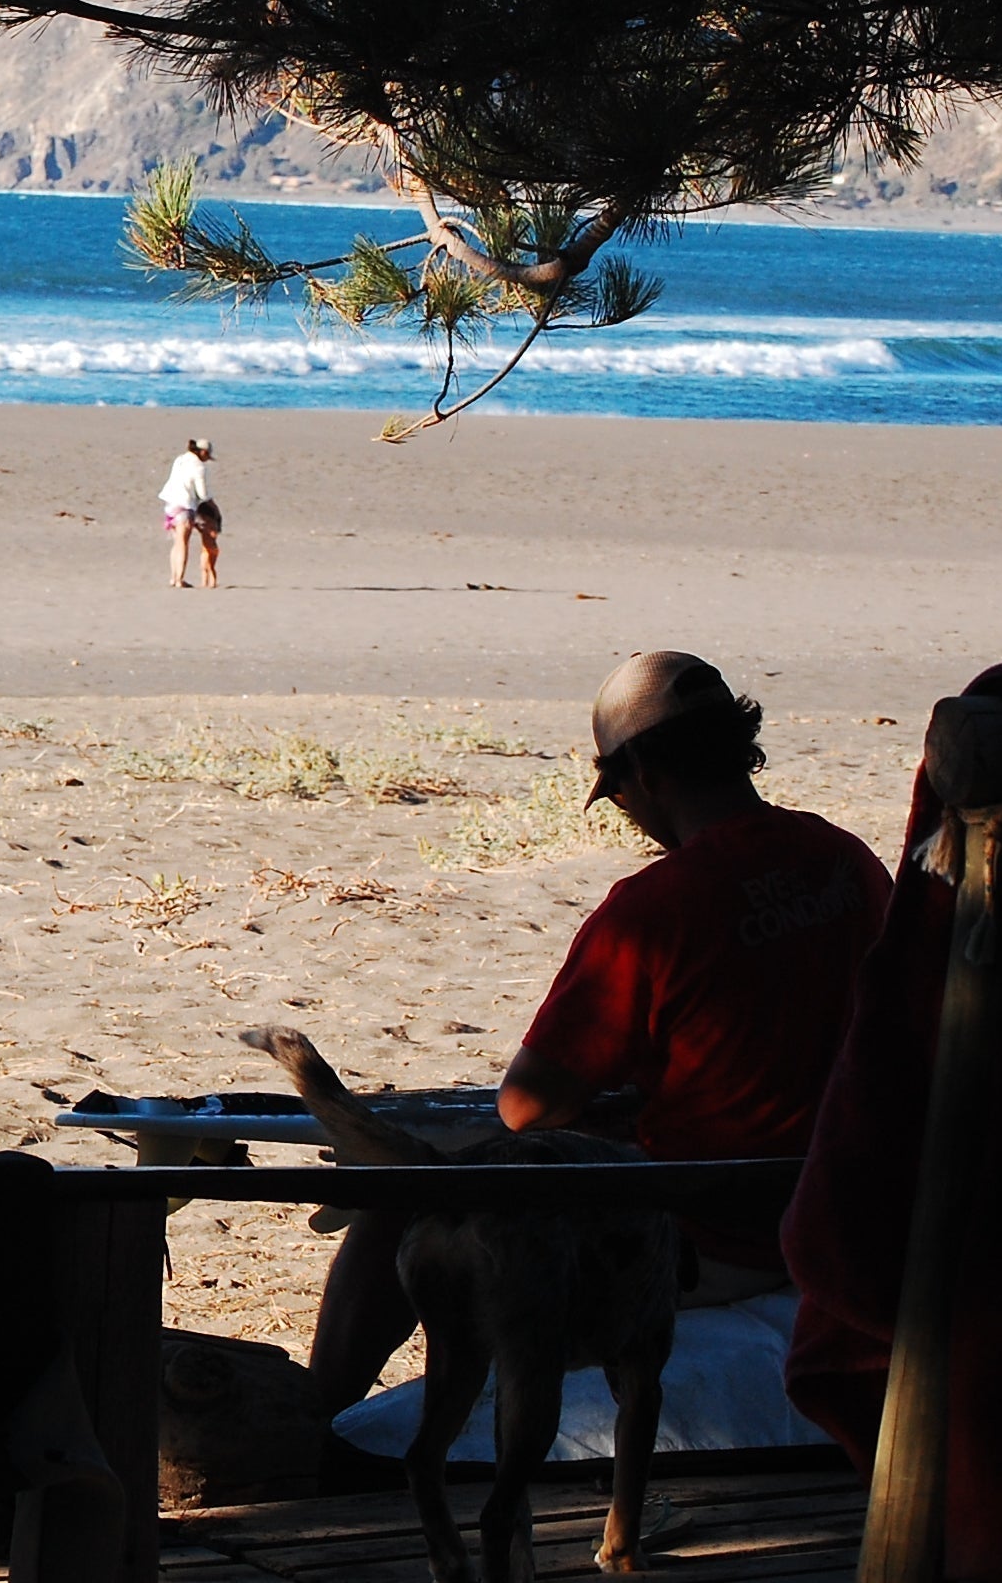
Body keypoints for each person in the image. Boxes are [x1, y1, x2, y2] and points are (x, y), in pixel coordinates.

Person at [304, 649, 893, 1414]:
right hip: (833, 1203)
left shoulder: (655, 908)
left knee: (406, 1200)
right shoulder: (847, 860)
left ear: (643, 774)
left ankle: (317, 1424)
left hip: (715, 1233)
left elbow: (526, 1106)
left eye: (615, 794)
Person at [159, 437, 221, 589]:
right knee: (183, 543)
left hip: (170, 504)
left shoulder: (180, 459)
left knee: (176, 542)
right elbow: (203, 494)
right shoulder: (199, 467)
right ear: (204, 452)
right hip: (184, 505)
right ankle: (179, 579)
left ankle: (173, 577)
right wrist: (214, 507)